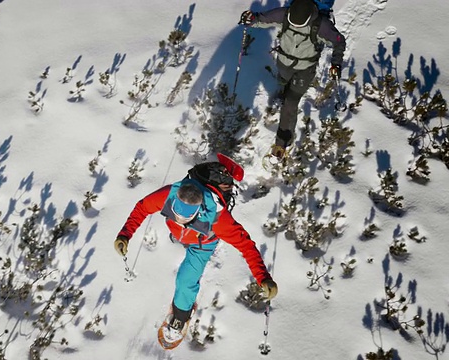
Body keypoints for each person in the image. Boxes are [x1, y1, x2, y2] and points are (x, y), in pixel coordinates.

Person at [114, 158, 278, 343]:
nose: (179, 218)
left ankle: (181, 317)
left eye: (187, 217)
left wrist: (263, 277)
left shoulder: (219, 219)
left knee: (185, 281)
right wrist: (125, 235)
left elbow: (246, 245)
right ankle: (180, 236)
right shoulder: (168, 194)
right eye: (176, 212)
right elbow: (142, 207)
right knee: (180, 233)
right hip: (184, 235)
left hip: (203, 244)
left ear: (198, 211)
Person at [240, 0, 346, 158]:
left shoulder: (321, 25)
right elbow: (262, 19)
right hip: (284, 63)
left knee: (290, 102)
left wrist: (336, 64)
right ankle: (284, 89)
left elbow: (339, 42)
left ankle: (283, 141)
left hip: (304, 69)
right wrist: (251, 19)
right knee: (284, 80)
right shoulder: (284, 14)